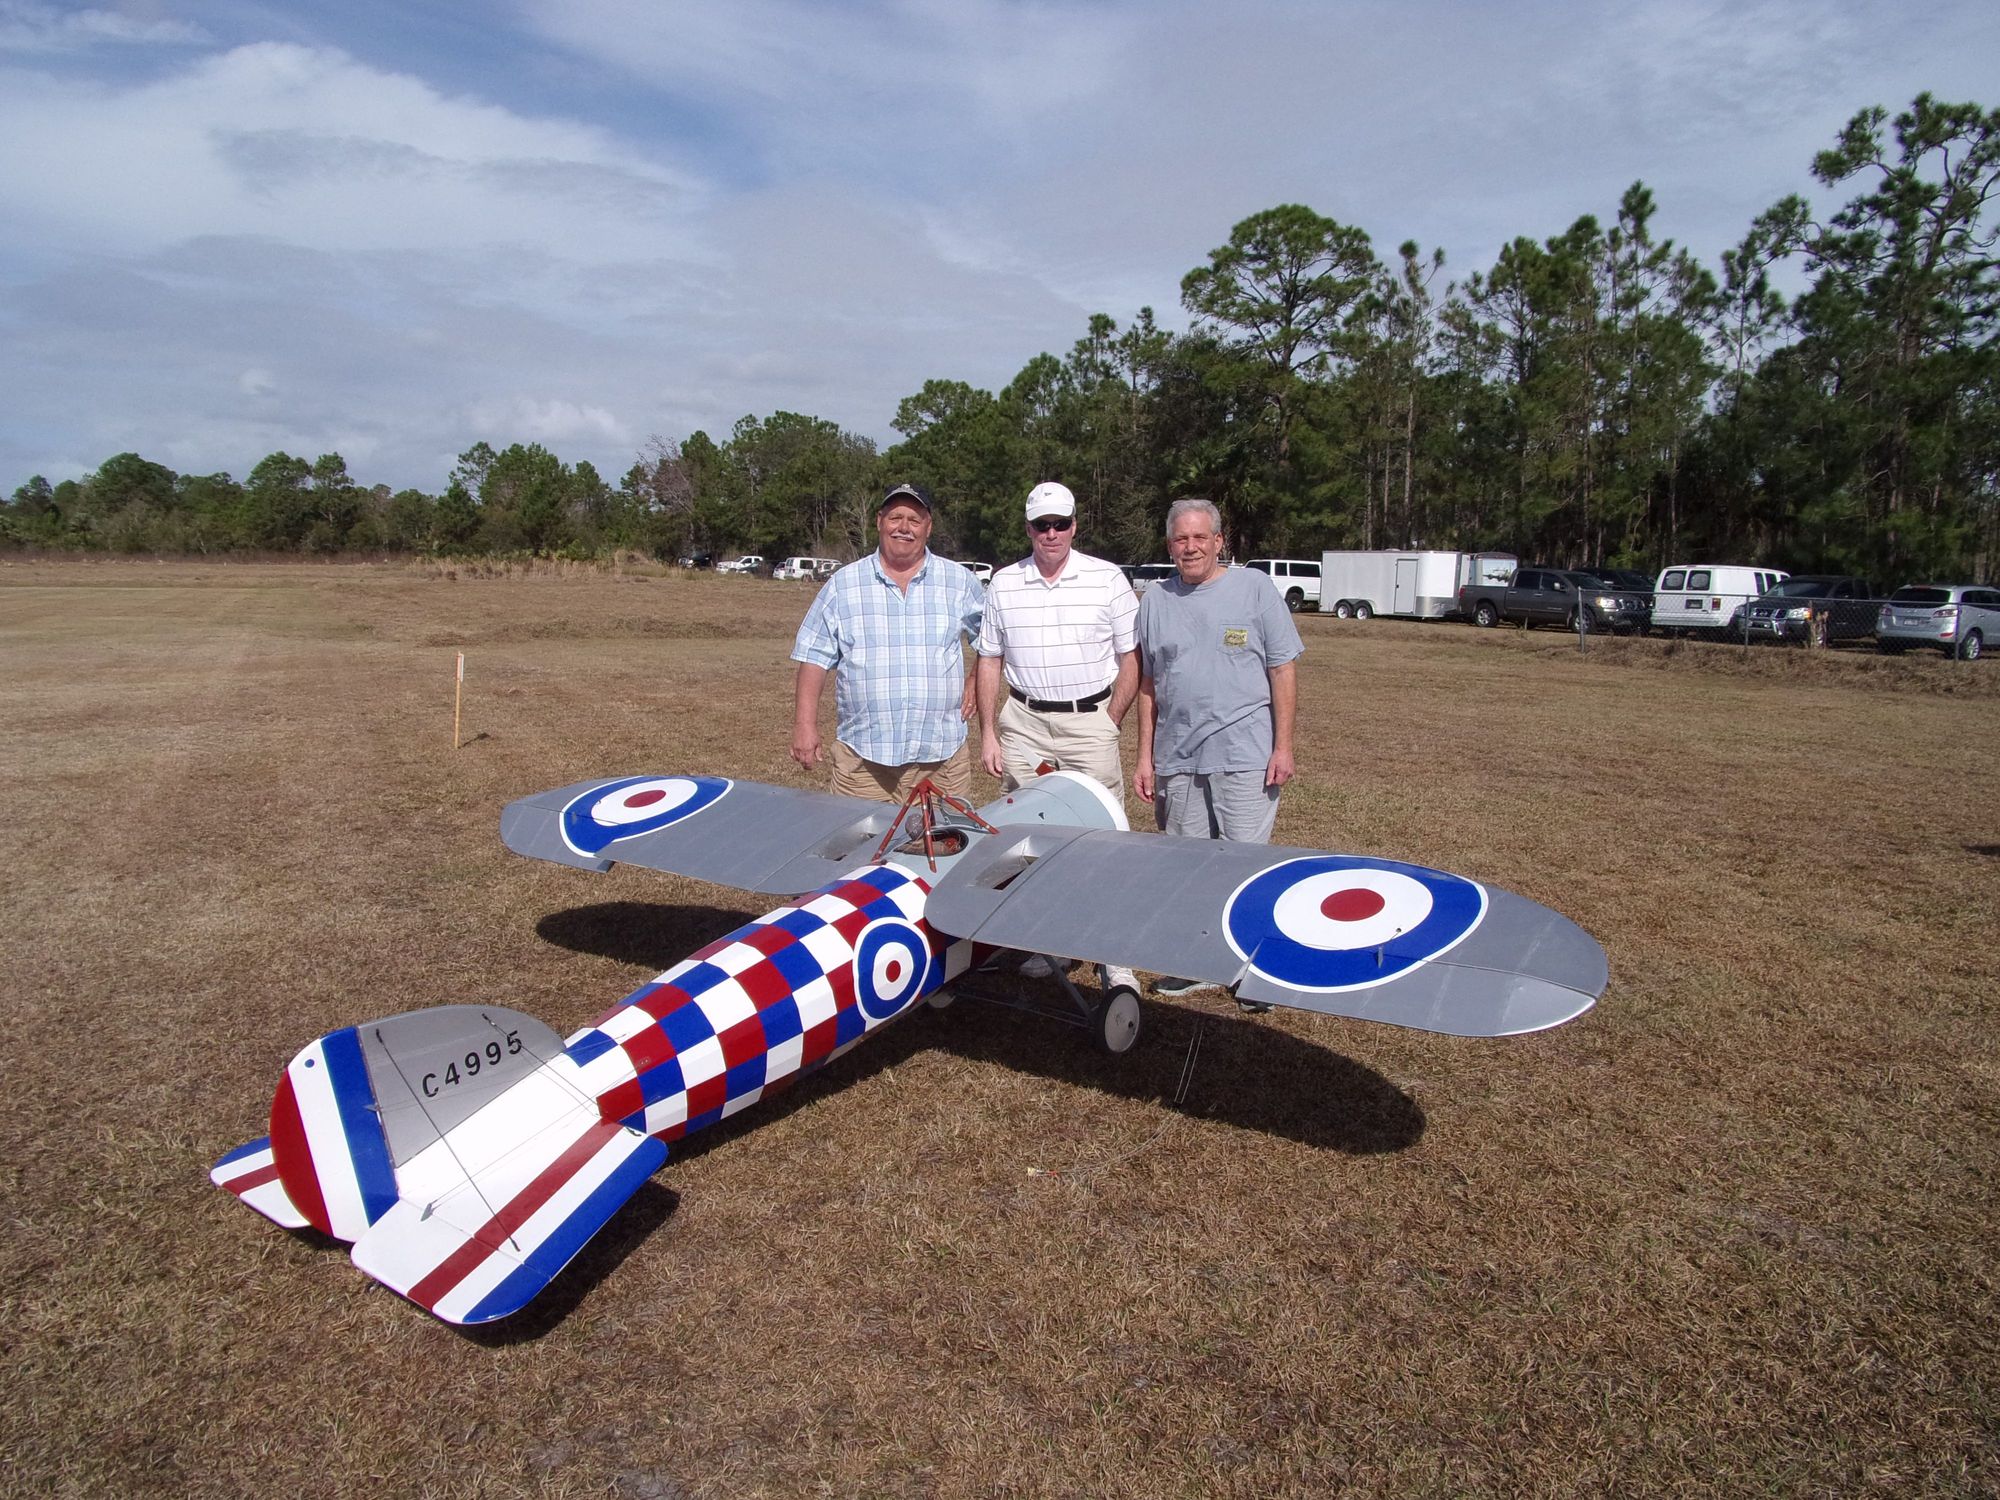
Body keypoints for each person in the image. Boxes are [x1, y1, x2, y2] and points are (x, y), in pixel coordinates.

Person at [1133, 496, 1303, 1002]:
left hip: (1245, 755)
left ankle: (1257, 972)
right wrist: (1144, 757)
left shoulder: (1255, 589)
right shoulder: (1155, 601)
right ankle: (1199, 962)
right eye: (1180, 539)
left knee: (1246, 867)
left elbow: (1282, 669)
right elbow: (1148, 685)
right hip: (1178, 758)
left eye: (1199, 537)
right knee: (1188, 868)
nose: (1190, 547)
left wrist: (1283, 746)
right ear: (1170, 546)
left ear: (1219, 541)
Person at [975, 480, 1141, 997]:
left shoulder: (1107, 578)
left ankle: (1115, 955)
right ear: (1028, 529)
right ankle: (1051, 941)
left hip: (1088, 722)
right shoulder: (1004, 583)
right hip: (1023, 723)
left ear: (1074, 526)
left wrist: (1110, 720)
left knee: (1104, 839)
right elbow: (989, 659)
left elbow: (1131, 658)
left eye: (1060, 523)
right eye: (1041, 525)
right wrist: (989, 732)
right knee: (1029, 837)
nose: (1051, 534)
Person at [790, 483, 984, 802]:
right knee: (857, 838)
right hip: (863, 765)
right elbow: (814, 657)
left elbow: (991, 641)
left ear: (928, 527)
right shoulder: (843, 584)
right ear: (879, 521)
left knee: (944, 837)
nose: (904, 527)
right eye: (895, 517)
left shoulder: (960, 582)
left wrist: (974, 681)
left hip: (942, 762)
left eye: (914, 519)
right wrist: (804, 725)